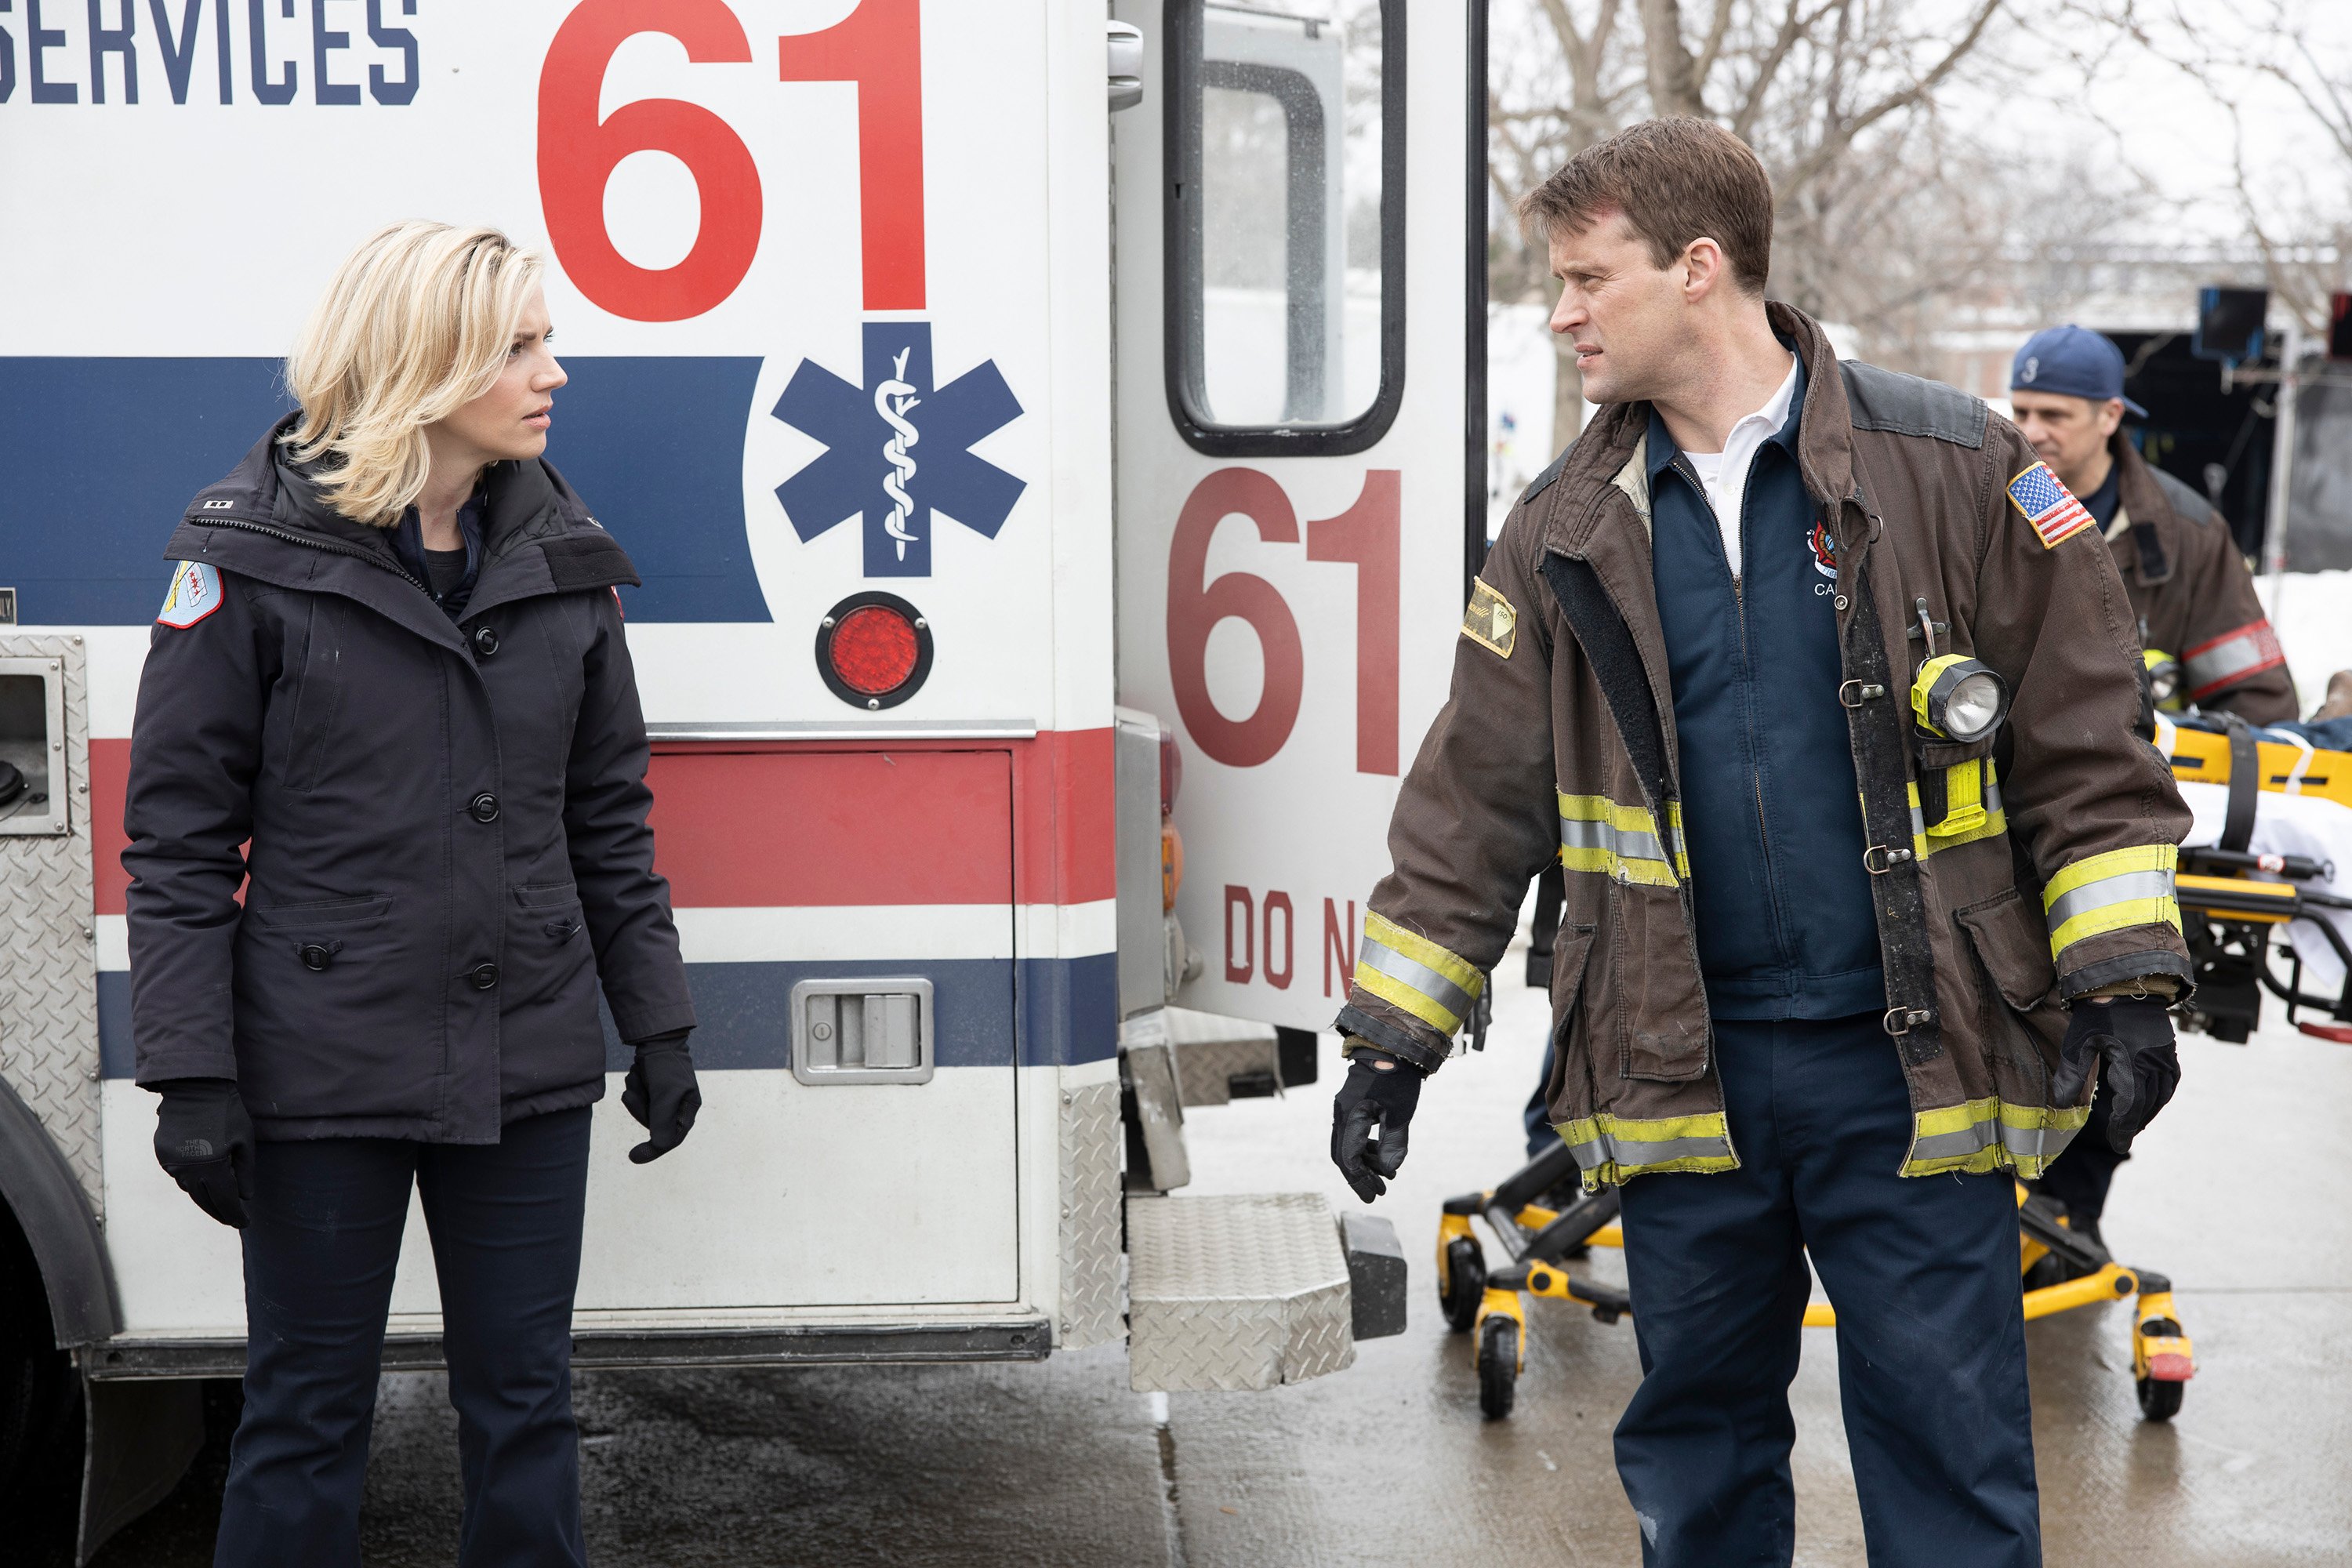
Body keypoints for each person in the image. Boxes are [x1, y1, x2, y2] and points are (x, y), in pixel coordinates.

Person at [1327, 119, 2189, 1567]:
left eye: (1591, 278)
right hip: (1680, 1072)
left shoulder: (1957, 467)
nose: (1564, 312)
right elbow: (1475, 799)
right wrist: (1390, 1040)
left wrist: (2126, 982)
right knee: (1702, 1471)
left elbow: (2088, 743)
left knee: (1953, 1463)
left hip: (1915, 1071)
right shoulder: (1558, 533)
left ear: (1700, 268)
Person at [125, 221, 702, 1567]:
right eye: (519, 344)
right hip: (321, 1067)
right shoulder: (252, 560)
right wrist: (190, 1076)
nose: (554, 372)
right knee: (306, 1416)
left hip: (529, 1062)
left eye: (547, 339)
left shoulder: (563, 560)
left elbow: (607, 811)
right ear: (424, 361)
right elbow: (179, 838)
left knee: (526, 1408)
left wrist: (657, 1023)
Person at [2009, 324, 2296, 723]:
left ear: (2110, 416)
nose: (2031, 431)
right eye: (2021, 412)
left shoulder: (2188, 533)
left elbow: (2253, 696)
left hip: (2135, 776)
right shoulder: (1987, 511)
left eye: (2054, 415)